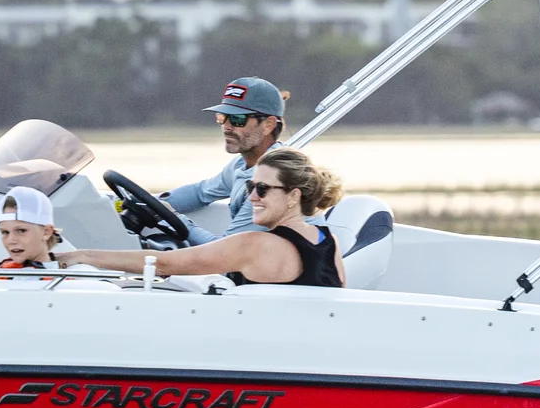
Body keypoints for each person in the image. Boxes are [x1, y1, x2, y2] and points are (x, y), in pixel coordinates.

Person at [64, 148, 344, 288]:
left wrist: (82, 256)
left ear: (293, 196)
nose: (251, 197)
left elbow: (163, 263)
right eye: (249, 186)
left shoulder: (255, 245)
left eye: (262, 189)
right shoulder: (328, 241)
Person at [157, 76, 289, 242]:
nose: (226, 126)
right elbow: (200, 192)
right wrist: (149, 203)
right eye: (222, 117)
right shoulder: (241, 165)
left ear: (268, 125)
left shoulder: (273, 180)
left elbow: (226, 249)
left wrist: (174, 219)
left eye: (237, 119)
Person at [0, 186, 61, 272]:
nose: (11, 240)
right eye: (5, 232)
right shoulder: (3, 272)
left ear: (46, 232)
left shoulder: (61, 278)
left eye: (21, 231)